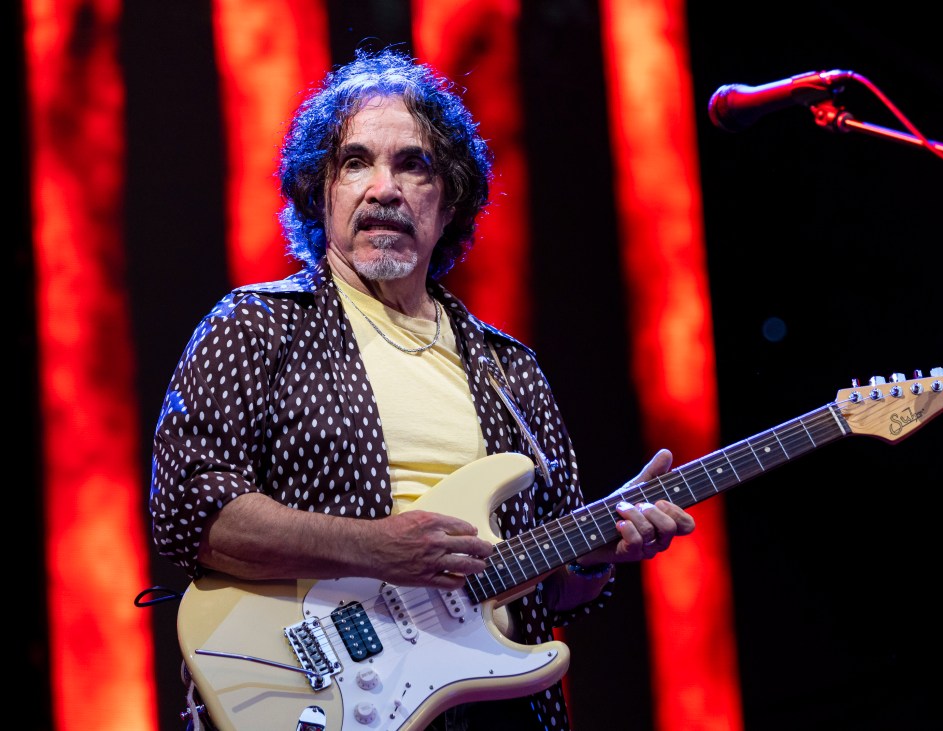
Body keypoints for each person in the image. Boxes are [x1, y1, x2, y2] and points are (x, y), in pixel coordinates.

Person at [150, 47, 695, 731]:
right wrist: (375, 546)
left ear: (451, 200)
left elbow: (559, 592)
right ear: (321, 191)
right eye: (355, 162)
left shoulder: (511, 371)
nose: (384, 188)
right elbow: (190, 511)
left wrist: (603, 552)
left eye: (414, 164)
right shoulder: (256, 327)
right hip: (313, 695)